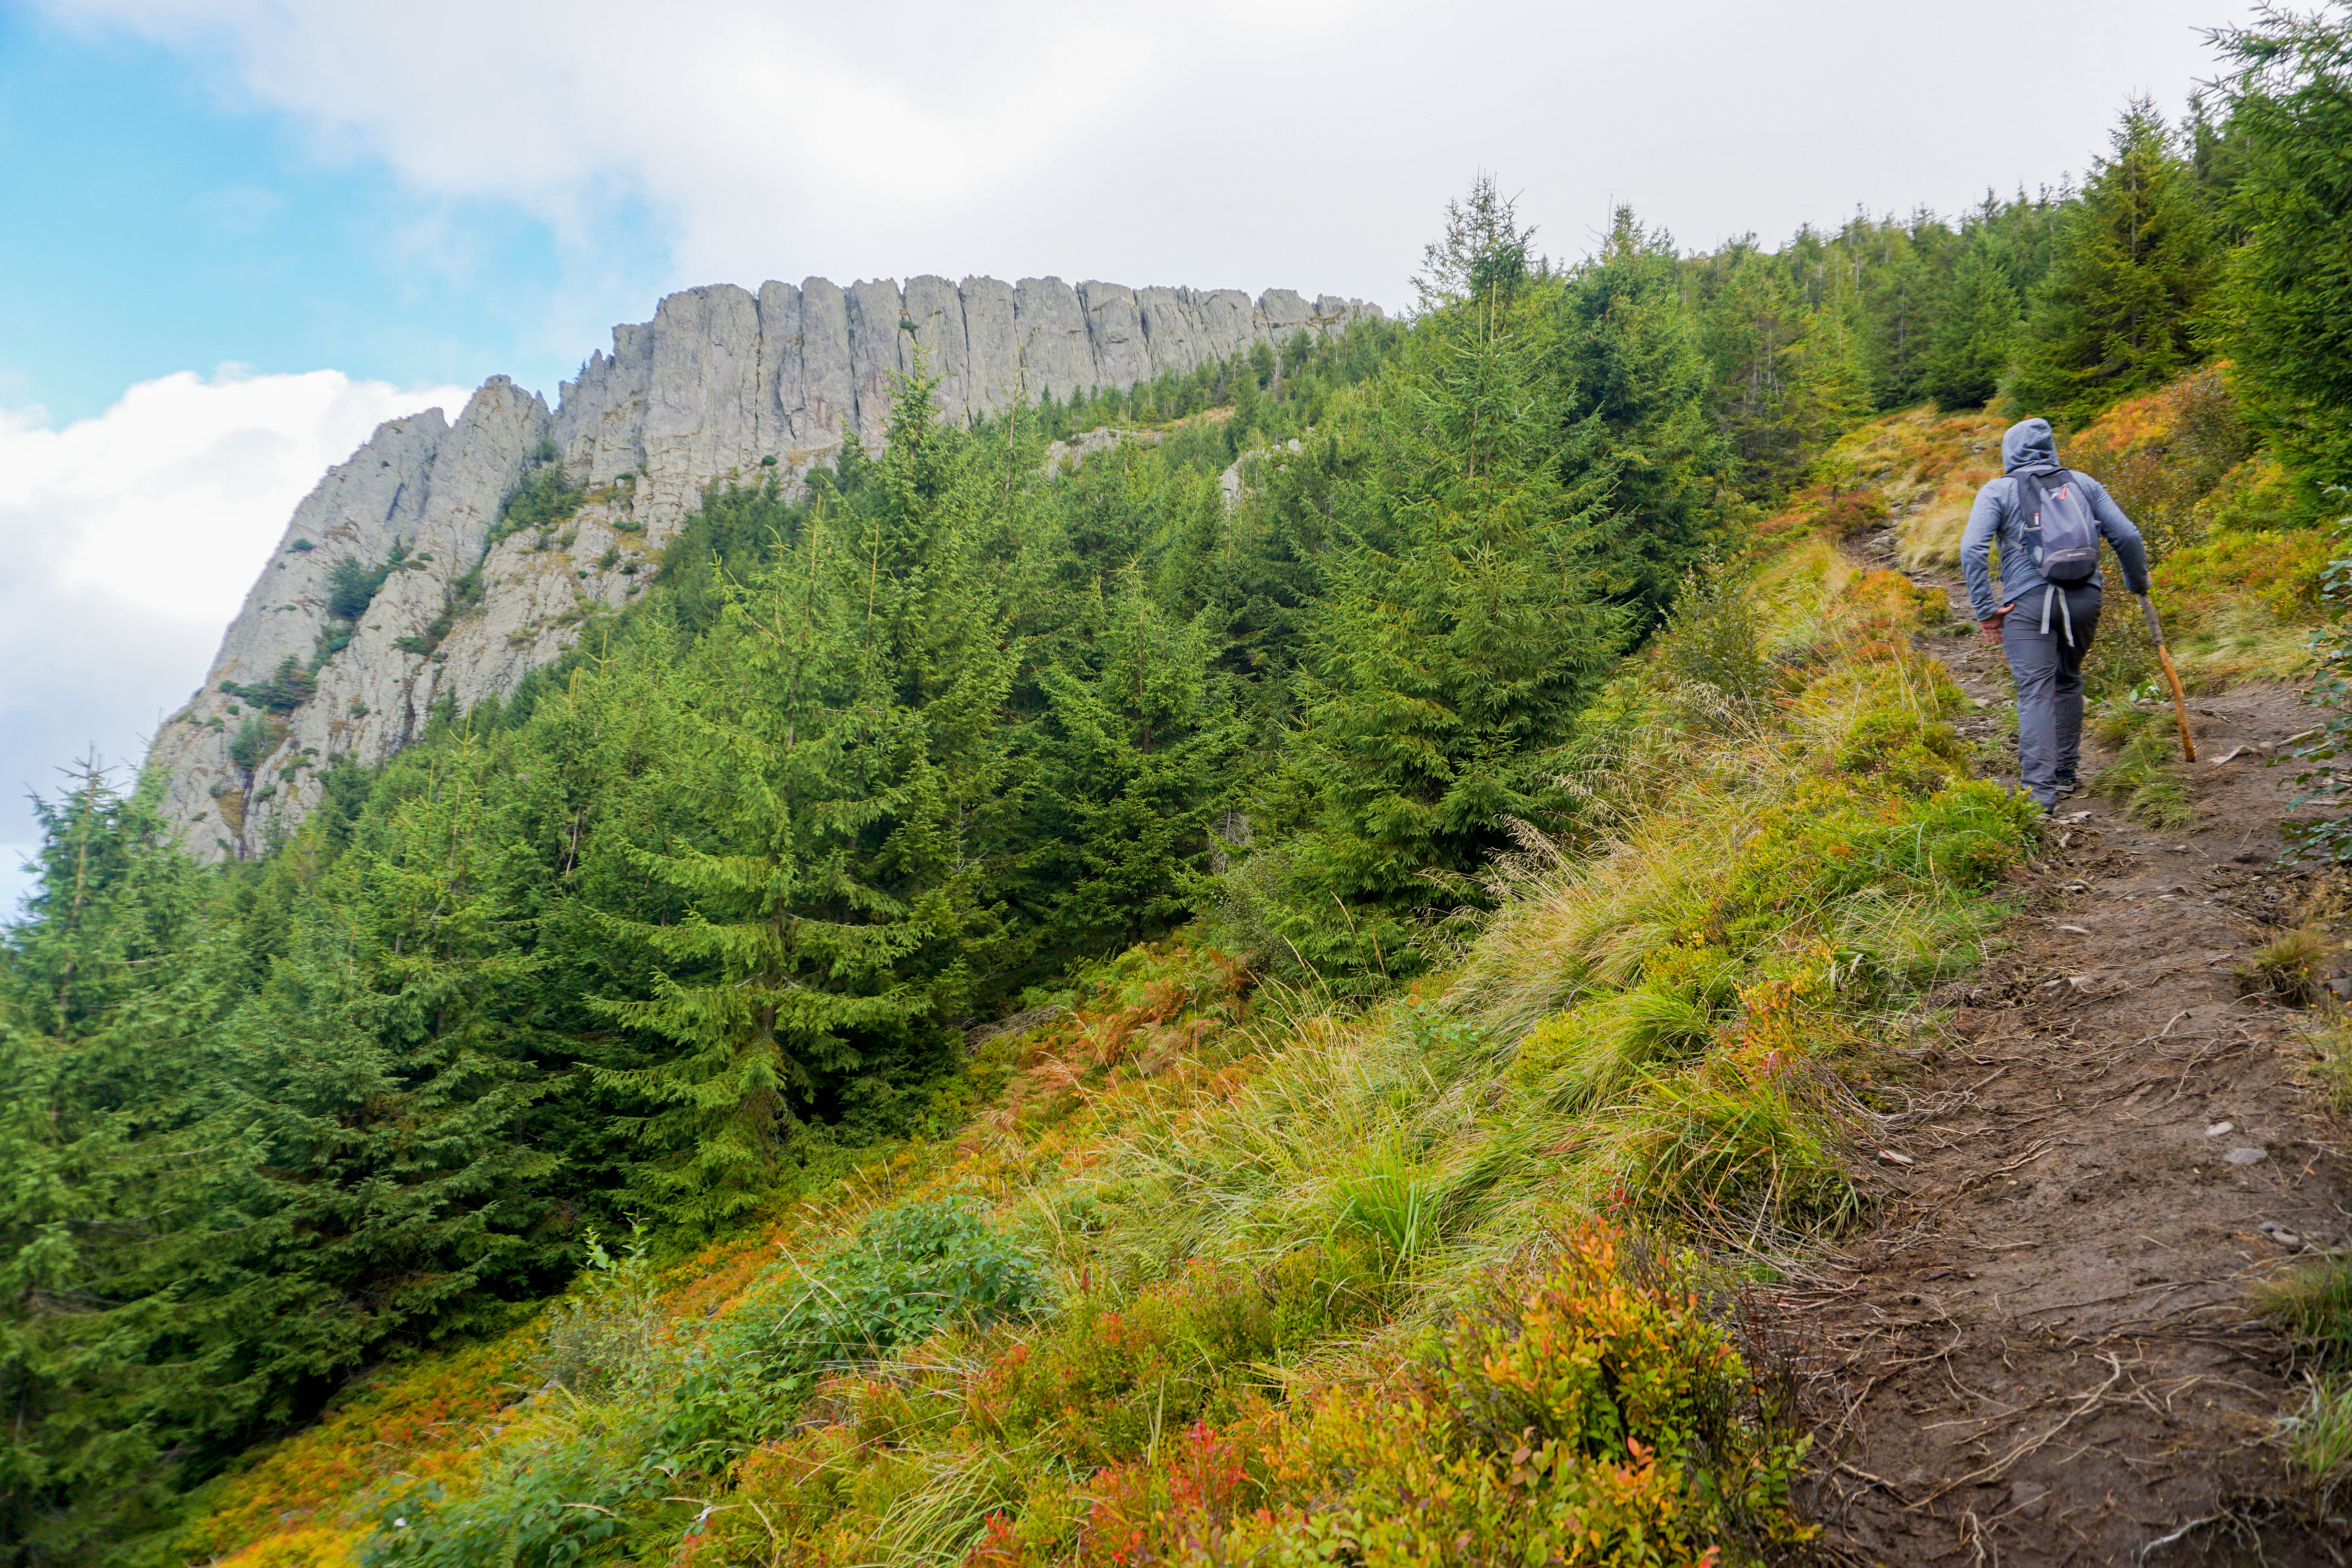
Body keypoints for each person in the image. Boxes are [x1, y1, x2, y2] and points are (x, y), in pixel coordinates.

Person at [1960, 416, 2151, 813]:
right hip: (2085, 598)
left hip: (2028, 604)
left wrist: (1986, 609)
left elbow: (1972, 549)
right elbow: (2128, 536)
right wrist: (2138, 585)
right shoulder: (2083, 483)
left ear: (2009, 451)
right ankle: (2064, 773)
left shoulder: (1998, 490)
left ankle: (2039, 797)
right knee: (2067, 679)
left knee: (2035, 692)